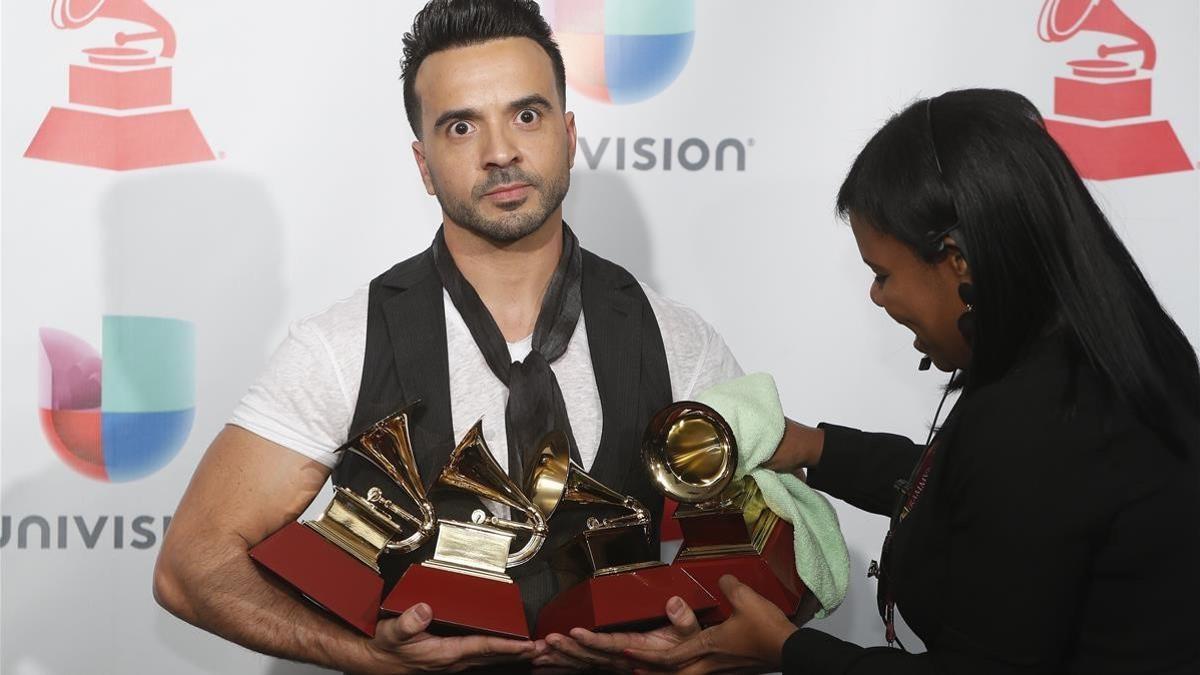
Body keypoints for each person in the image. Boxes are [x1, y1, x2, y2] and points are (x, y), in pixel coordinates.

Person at [151, 1, 741, 672]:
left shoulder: (676, 340)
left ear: (569, 134)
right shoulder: (344, 344)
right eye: (461, 126)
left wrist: (695, 656)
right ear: (424, 163)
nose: (500, 152)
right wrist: (369, 657)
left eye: (527, 114)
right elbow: (190, 566)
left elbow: (782, 568)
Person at [576, 89, 1200, 674]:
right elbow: (970, 496)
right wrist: (813, 448)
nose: (877, 297)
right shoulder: (1095, 366)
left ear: (958, 260)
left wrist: (787, 650)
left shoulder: (1037, 417)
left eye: (882, 273)